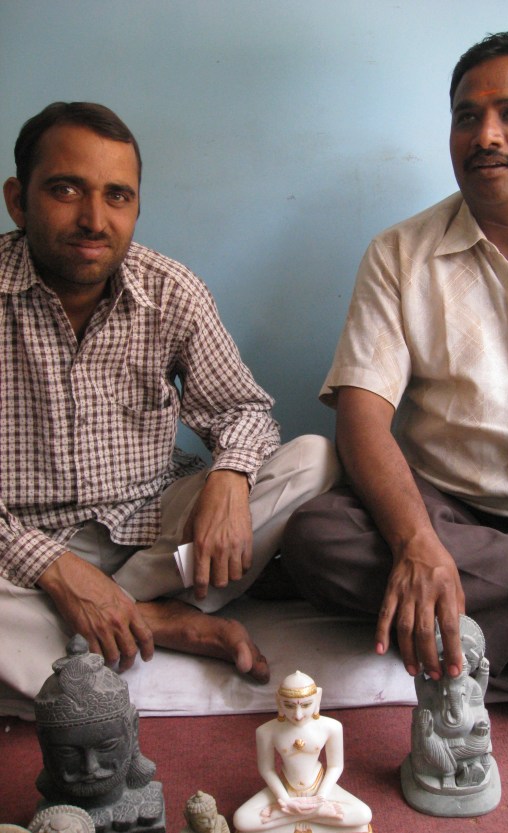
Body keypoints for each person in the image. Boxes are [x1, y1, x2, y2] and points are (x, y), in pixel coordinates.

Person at [282, 32, 508, 711]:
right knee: (316, 539)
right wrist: (417, 543)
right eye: (467, 116)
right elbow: (361, 415)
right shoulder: (398, 254)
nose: (484, 134)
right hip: (447, 514)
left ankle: (451, 630)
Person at [0, 101, 340, 707]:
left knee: (313, 459)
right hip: (19, 548)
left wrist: (232, 476)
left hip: (149, 529)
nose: (93, 219)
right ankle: (155, 622)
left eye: (117, 196)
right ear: (18, 200)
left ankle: (109, 622)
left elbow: (244, 409)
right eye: (66, 190)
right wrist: (51, 566)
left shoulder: (169, 290)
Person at [34, 635, 164, 833]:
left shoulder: (146, 809)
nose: (89, 767)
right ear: (43, 742)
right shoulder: (49, 824)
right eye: (68, 752)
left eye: (106, 746)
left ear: (133, 729)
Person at [232, 671, 372, 833]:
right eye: (290, 706)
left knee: (363, 814)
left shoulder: (331, 727)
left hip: (319, 785)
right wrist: (284, 800)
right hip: (286, 787)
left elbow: (336, 766)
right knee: (241, 819)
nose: (298, 715)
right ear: (279, 701)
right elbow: (266, 769)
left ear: (318, 698)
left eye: (305, 705)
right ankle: (315, 816)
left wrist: (321, 798)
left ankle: (284, 817)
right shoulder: (267, 731)